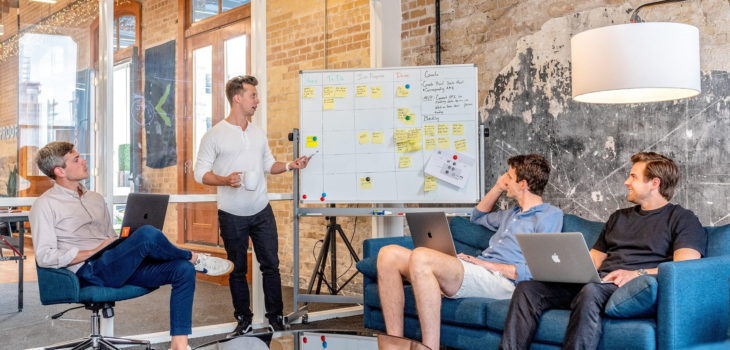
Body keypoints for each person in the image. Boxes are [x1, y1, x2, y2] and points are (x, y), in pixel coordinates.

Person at [30, 141, 234, 350]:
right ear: (59, 171)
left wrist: (120, 243)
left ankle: (179, 345)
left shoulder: (95, 199)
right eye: (76, 159)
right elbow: (45, 256)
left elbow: (109, 236)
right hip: (89, 270)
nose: (84, 160)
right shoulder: (45, 205)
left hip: (113, 264)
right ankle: (192, 256)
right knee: (147, 234)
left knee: (182, 270)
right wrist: (93, 251)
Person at [499, 152, 707, 350]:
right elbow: (593, 260)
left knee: (591, 290)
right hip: (600, 282)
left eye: (633, 176)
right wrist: (564, 270)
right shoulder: (619, 217)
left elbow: (683, 268)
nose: (626, 182)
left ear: (655, 183)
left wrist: (637, 273)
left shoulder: (682, 219)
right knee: (528, 288)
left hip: (633, 286)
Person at [377, 154, 564, 350]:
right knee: (388, 255)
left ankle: (429, 347)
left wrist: (491, 265)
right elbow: (477, 216)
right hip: (480, 272)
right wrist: (499, 187)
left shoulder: (549, 216)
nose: (503, 179)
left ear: (523, 183)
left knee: (422, 257)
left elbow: (541, 268)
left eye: (508, 176)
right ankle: (394, 344)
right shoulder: (511, 214)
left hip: (503, 282)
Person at [194, 75, 310, 336]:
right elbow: (200, 173)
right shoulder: (215, 135)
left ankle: (275, 317)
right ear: (237, 98)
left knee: (271, 265)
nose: (257, 101)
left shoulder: (258, 133)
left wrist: (291, 165)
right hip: (231, 214)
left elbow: (269, 165)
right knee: (237, 268)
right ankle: (243, 319)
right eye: (252, 95)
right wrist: (225, 179)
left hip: (261, 210)